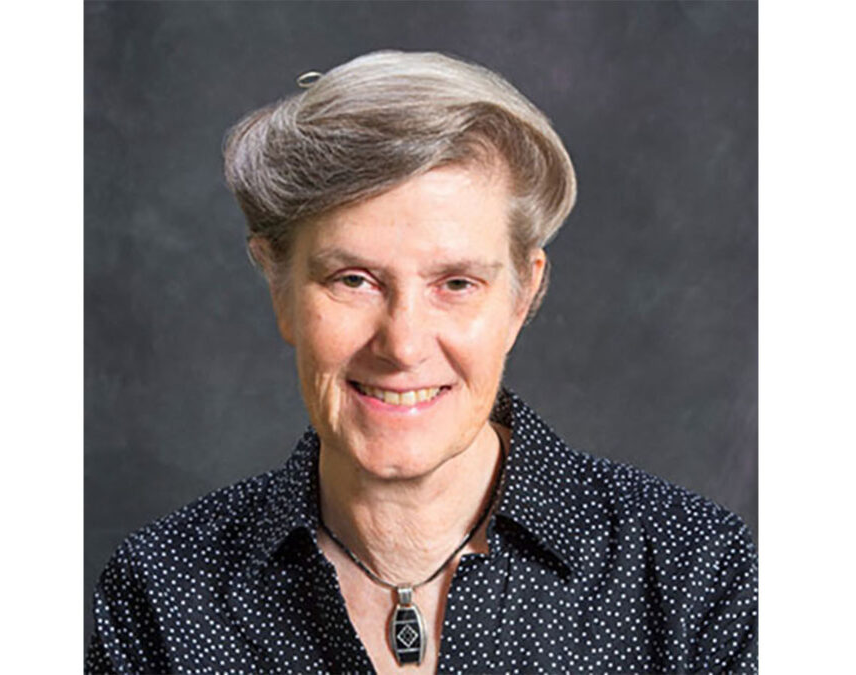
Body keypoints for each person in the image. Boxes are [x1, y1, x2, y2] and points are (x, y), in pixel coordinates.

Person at [86, 50, 757, 674]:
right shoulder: (159, 597)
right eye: (353, 279)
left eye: (456, 283)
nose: (402, 344)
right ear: (281, 291)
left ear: (522, 297)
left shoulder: (697, 575)